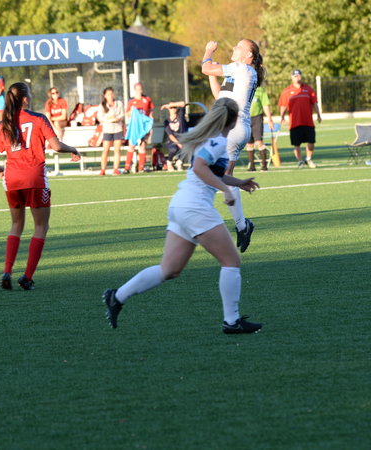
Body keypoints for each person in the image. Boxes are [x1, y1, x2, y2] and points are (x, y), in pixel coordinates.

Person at [103, 98, 262, 334]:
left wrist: (237, 183)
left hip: (181, 205)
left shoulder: (210, 138)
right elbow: (199, 168)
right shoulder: (219, 140)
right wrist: (227, 191)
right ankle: (232, 321)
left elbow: (211, 171)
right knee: (231, 262)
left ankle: (117, 296)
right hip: (196, 208)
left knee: (169, 269)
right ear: (233, 120)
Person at [0, 82, 81, 290]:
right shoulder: (38, 119)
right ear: (25, 98)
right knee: (41, 226)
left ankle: (7, 271)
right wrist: (73, 149)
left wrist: (1, 169)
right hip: (35, 178)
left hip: (12, 179)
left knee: (16, 224)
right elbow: (56, 146)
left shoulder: (3, 124)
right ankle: (27, 277)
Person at [201, 38, 265, 253]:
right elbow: (219, 95)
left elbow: (205, 67)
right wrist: (212, 73)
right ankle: (242, 226)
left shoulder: (242, 68)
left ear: (249, 55)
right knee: (222, 177)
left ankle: (208, 226)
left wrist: (208, 51)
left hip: (232, 127)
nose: (234, 48)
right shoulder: (239, 72)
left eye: (239, 47)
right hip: (237, 129)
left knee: (205, 172)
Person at [278, 69, 322, 168]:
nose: (297, 78)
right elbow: (283, 105)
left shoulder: (308, 89)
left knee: (311, 142)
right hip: (295, 122)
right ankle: (300, 161)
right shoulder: (287, 91)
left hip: (308, 121)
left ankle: (308, 159)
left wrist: (318, 115)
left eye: (298, 76)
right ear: (291, 78)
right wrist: (282, 117)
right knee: (296, 144)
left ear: (301, 77)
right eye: (295, 76)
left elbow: (315, 103)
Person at [124, 82, 154, 173]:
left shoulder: (147, 99)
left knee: (142, 146)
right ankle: (127, 168)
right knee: (131, 146)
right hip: (135, 127)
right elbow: (128, 114)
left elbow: (151, 113)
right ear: (134, 90)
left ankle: (141, 168)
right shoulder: (131, 102)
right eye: (137, 89)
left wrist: (150, 126)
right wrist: (132, 111)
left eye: (140, 89)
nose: (139, 91)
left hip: (143, 127)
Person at [97, 87, 125, 176]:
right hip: (107, 129)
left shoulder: (119, 104)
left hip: (117, 129)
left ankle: (116, 169)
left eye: (112, 94)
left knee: (117, 149)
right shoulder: (102, 106)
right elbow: (100, 118)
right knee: (106, 150)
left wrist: (116, 119)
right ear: (105, 96)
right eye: (108, 94)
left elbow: (122, 114)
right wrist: (109, 119)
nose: (110, 96)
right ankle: (103, 169)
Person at [246, 85, 275, 172]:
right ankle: (252, 166)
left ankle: (264, 165)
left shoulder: (260, 90)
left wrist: (269, 119)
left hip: (257, 118)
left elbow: (265, 105)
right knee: (249, 143)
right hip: (246, 118)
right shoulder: (242, 89)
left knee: (259, 142)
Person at [160, 101, 189, 171]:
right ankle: (169, 162)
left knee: (188, 147)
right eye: (171, 108)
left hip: (182, 139)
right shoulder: (167, 121)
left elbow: (183, 103)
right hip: (172, 141)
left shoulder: (180, 116)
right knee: (174, 149)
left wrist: (170, 105)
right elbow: (170, 135)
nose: (173, 109)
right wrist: (178, 143)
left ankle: (179, 162)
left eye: (174, 107)